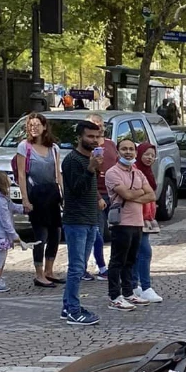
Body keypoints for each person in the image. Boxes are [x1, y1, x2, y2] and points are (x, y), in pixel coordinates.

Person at [59, 120, 105, 325]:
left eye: (97, 137)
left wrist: (97, 199)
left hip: (90, 219)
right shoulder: (72, 161)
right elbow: (75, 190)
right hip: (76, 220)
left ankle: (68, 306)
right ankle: (73, 310)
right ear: (79, 137)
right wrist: (90, 169)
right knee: (76, 268)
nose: (94, 140)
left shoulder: (91, 159)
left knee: (81, 266)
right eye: (90, 136)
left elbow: (89, 190)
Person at [105, 138, 154, 311]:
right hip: (121, 222)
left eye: (131, 149)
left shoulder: (137, 172)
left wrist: (134, 194)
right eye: (124, 149)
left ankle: (128, 292)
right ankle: (114, 296)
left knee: (130, 260)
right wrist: (139, 193)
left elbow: (152, 195)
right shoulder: (113, 173)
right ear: (118, 152)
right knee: (117, 260)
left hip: (137, 222)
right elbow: (126, 194)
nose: (128, 152)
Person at [16, 113, 63, 288]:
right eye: (30, 125)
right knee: (40, 236)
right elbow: (22, 174)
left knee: (55, 234)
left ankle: (50, 270)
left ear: (44, 127)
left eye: (37, 125)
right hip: (36, 195)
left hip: (52, 195)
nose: (33, 128)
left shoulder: (54, 148)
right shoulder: (24, 147)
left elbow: (57, 173)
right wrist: (25, 199)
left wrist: (62, 193)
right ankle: (39, 273)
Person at [85, 113, 116, 283]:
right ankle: (101, 266)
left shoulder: (111, 145)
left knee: (115, 231)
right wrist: (97, 196)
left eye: (100, 123)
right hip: (97, 194)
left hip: (113, 193)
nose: (98, 125)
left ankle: (114, 264)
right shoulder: (88, 148)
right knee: (98, 232)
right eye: (93, 123)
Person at [132, 142, 163, 303]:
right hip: (135, 217)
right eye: (146, 154)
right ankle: (145, 287)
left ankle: (134, 284)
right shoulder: (135, 171)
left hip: (145, 217)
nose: (150, 158)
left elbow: (151, 195)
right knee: (144, 252)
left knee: (138, 252)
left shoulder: (147, 172)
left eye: (152, 155)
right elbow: (141, 194)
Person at [0, 172, 24, 293]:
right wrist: (14, 235)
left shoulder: (4, 198)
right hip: (0, 235)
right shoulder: (0, 201)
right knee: (0, 258)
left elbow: (14, 207)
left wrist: (25, 208)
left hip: (3, 235)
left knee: (2, 258)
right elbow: (5, 220)